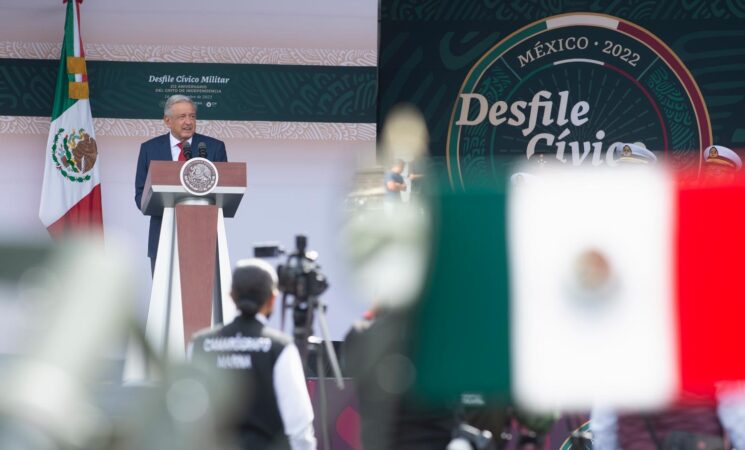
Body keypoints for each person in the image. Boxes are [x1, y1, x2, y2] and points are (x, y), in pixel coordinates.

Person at [188, 259, 316, 450]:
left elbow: (187, 412)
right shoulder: (279, 347)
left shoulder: (199, 344)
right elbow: (299, 423)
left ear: (231, 296)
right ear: (273, 298)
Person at [134, 94, 228, 273]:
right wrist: (168, 204)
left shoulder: (213, 148)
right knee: (163, 299)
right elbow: (140, 196)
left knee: (201, 298)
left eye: (192, 116)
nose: (188, 122)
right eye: (182, 117)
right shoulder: (149, 149)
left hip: (202, 237)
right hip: (162, 235)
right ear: (167, 120)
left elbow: (224, 191)